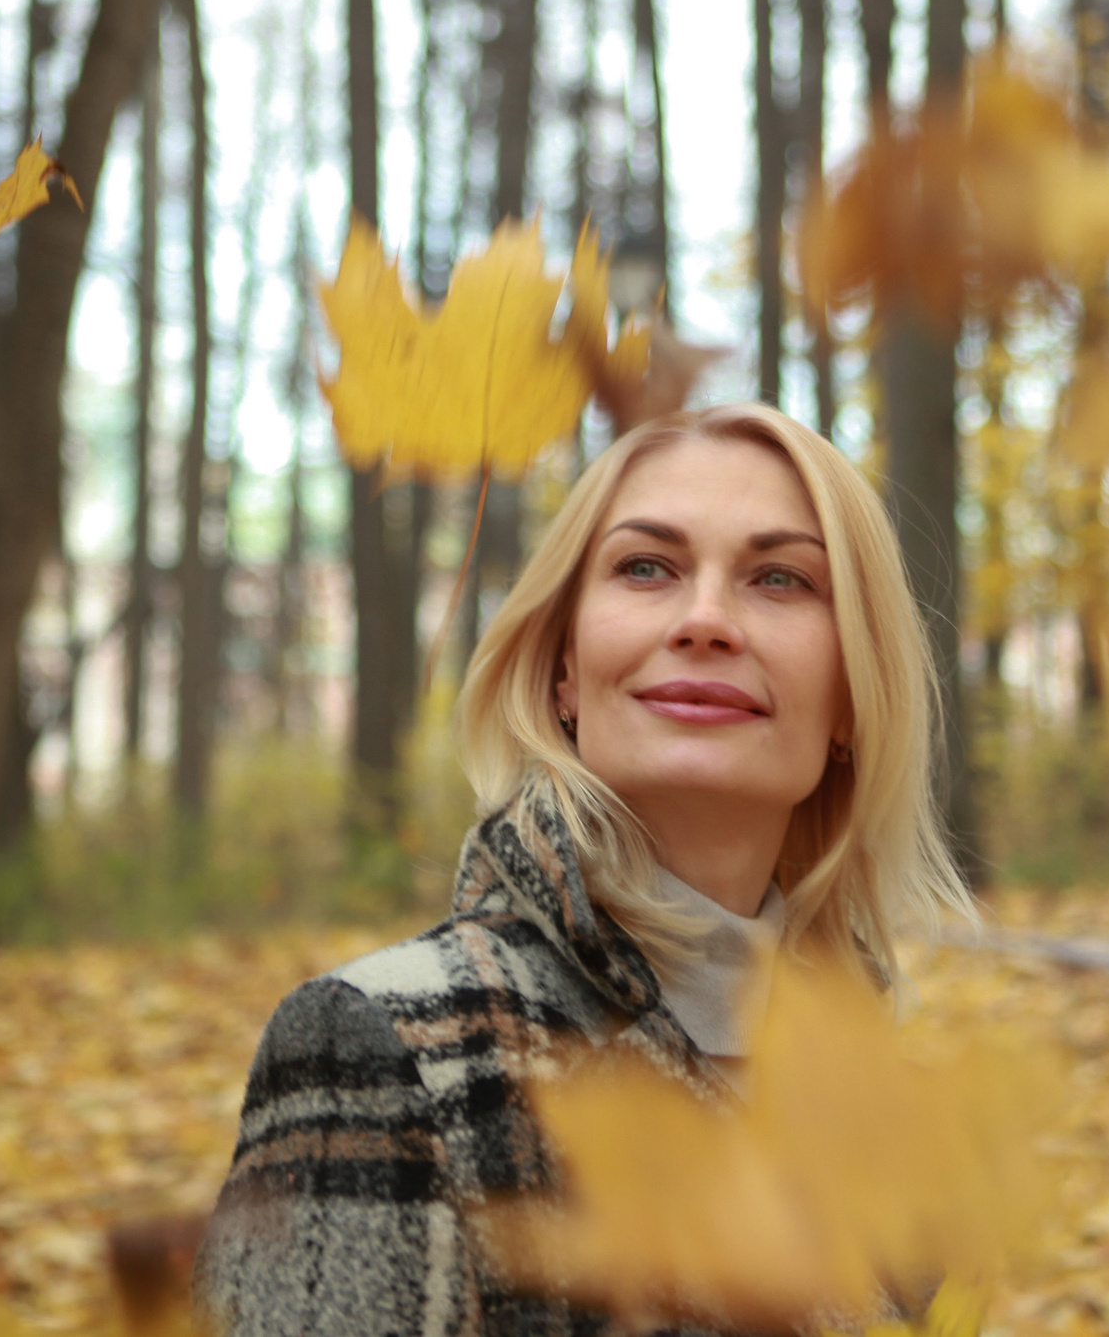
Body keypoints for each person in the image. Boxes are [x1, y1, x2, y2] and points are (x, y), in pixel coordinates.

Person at [193, 403, 971, 1337]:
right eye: (647, 566)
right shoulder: (386, 1042)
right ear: (563, 671)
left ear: (853, 692)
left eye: (781, 577)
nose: (706, 619)